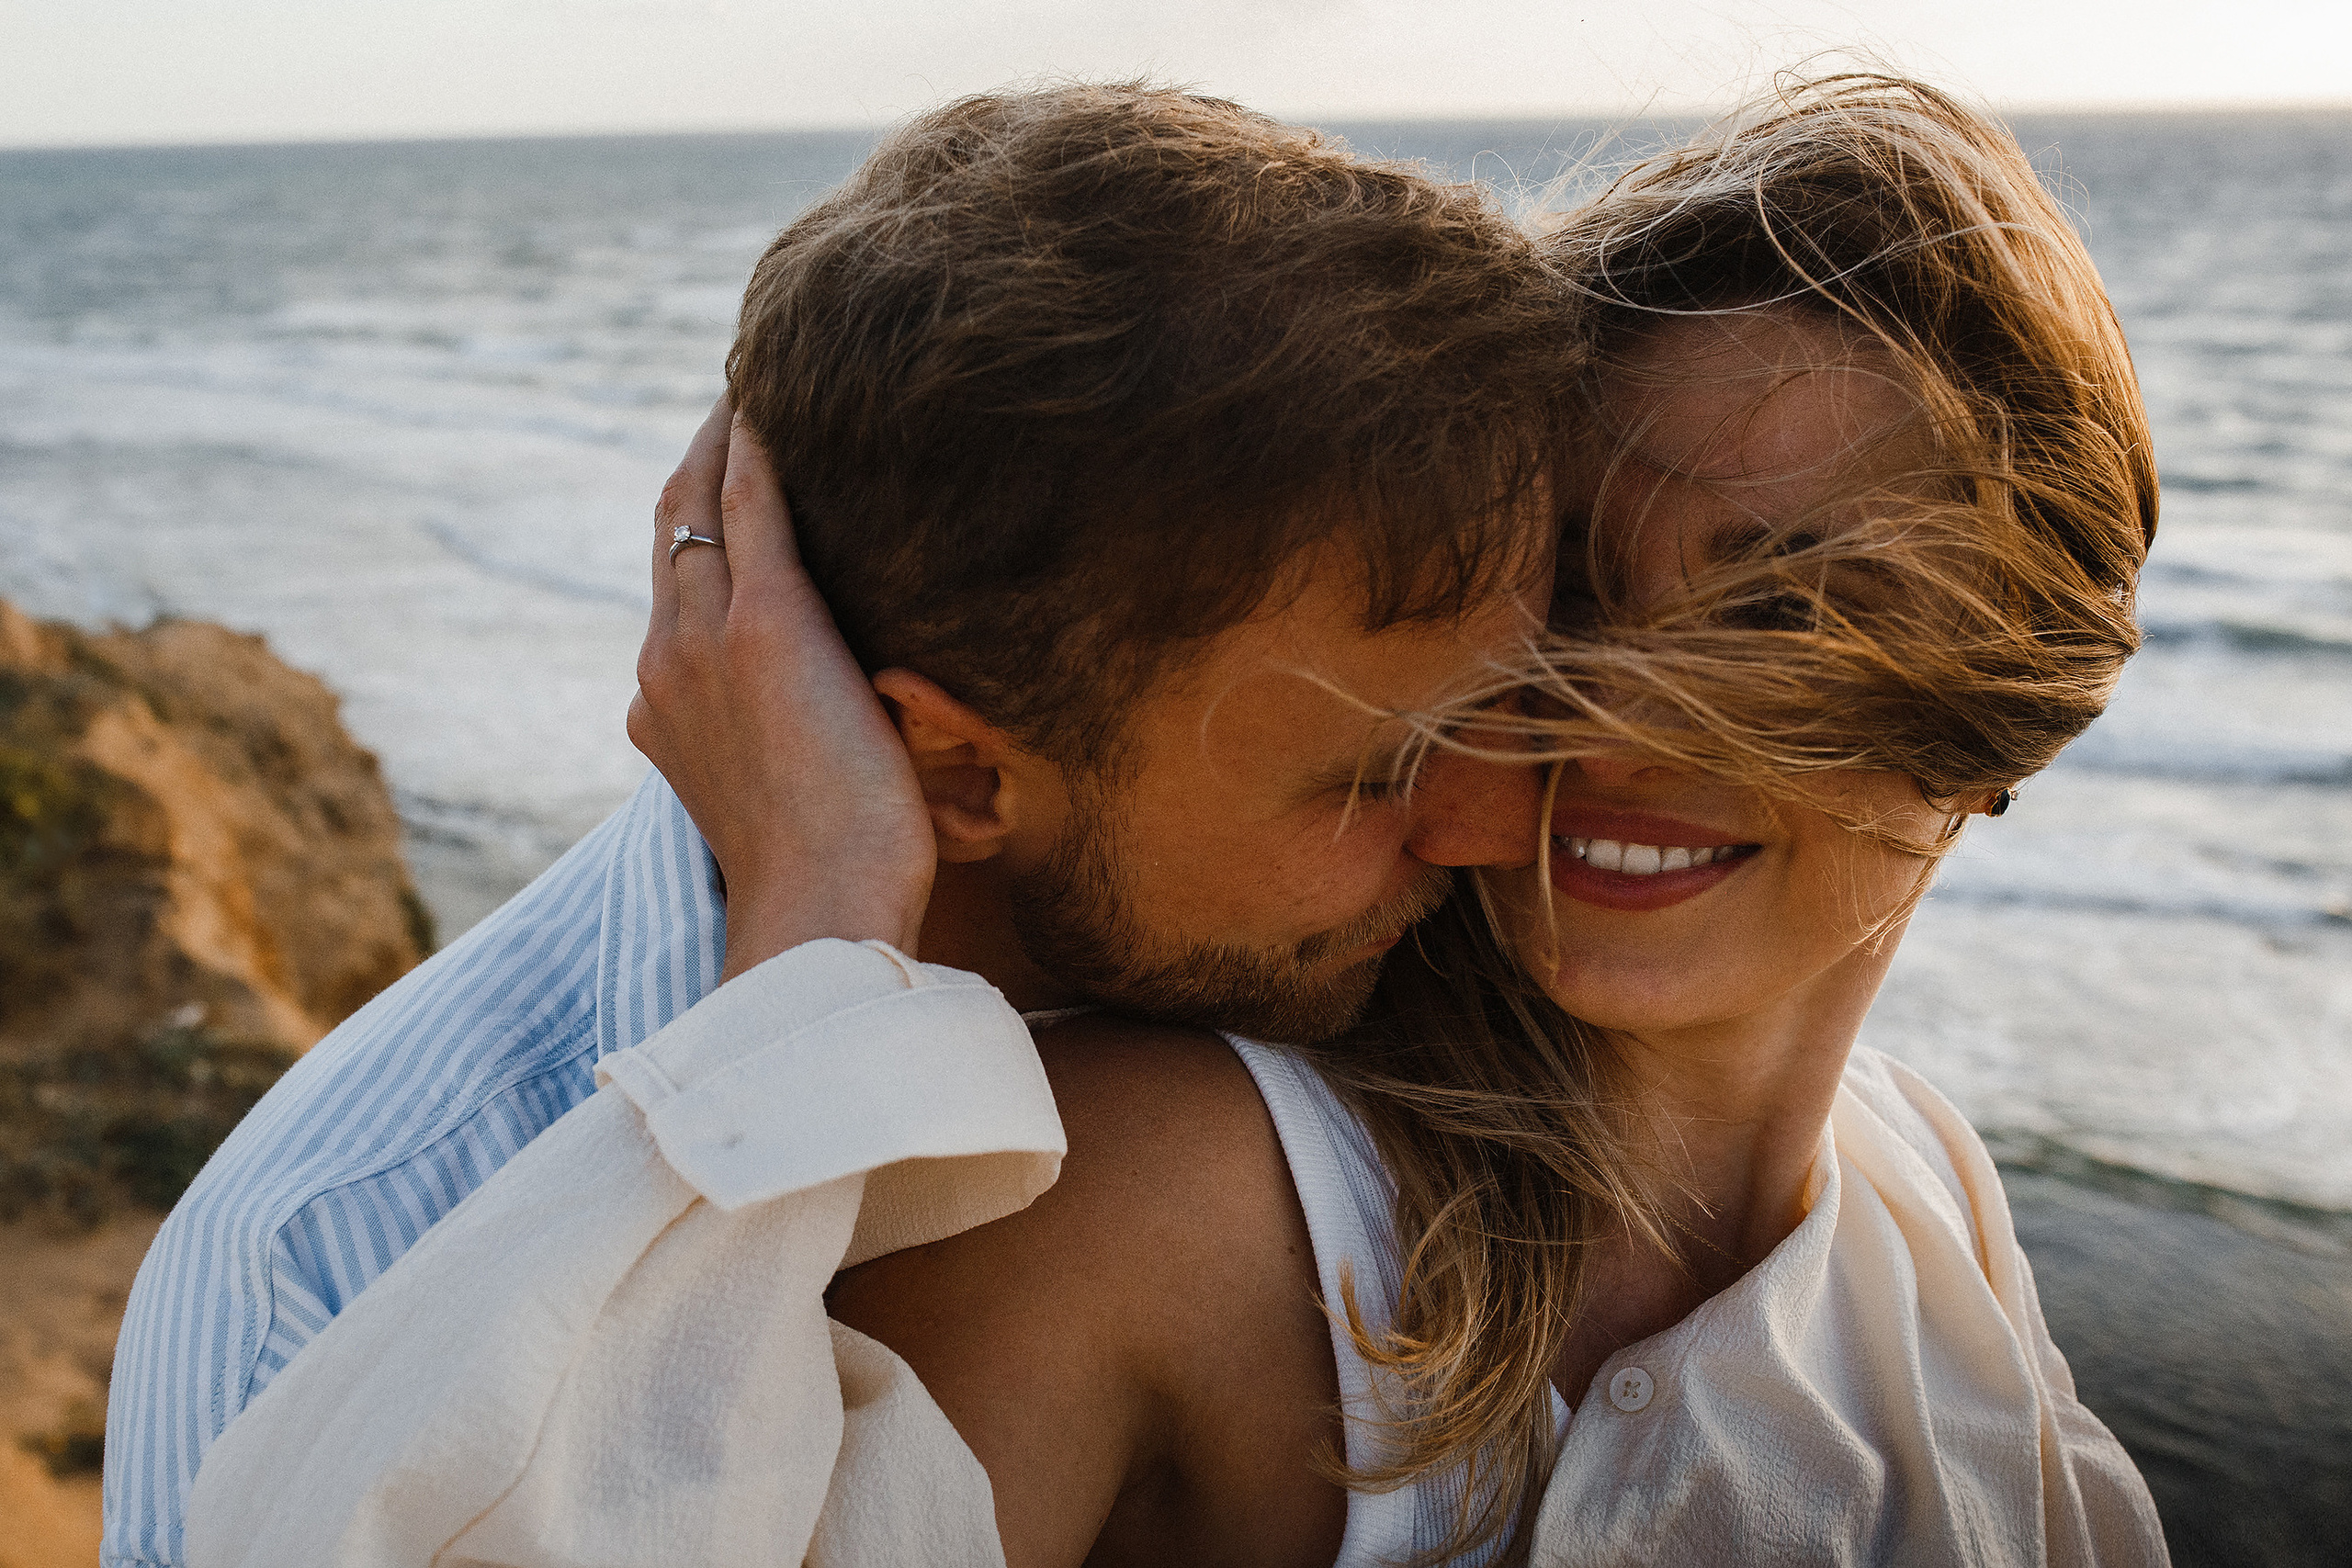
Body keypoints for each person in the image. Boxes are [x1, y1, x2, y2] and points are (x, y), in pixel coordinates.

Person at [177, 77, 2169, 1567]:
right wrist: (815, 954)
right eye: (1575, 599)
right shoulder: (1144, 1201)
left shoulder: (1920, 1188)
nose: (1566, 756)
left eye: (1782, 616)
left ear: (2001, 707)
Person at [105, 84, 1570, 1568]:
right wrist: (817, 954)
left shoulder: (1464, 976)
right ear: (956, 775)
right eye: (1379, 774)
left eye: (1508, 708)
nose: (1500, 829)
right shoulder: (325, 1271)